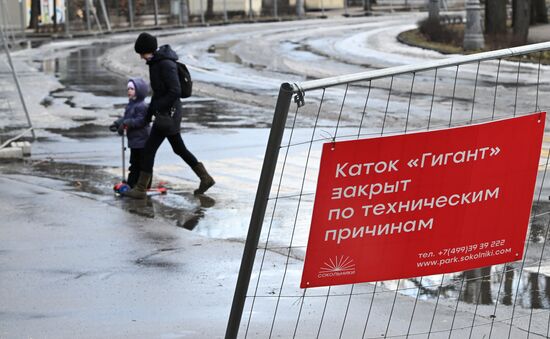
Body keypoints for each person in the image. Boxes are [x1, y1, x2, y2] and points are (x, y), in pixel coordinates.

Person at [123, 32, 215, 199]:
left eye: (142, 54)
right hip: (165, 113)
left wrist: (156, 108)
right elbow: (158, 93)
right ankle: (205, 178)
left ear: (148, 50)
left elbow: (175, 91)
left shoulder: (165, 64)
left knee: (149, 150)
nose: (141, 58)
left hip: (168, 115)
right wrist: (149, 113)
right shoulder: (156, 62)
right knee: (179, 148)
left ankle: (140, 189)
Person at [109, 77, 151, 188]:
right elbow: (127, 117)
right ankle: (132, 184)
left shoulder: (142, 106)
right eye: (128, 89)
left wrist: (127, 123)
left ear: (139, 90)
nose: (129, 91)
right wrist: (118, 123)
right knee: (134, 164)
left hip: (142, 140)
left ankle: (143, 185)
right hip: (134, 141)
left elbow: (141, 121)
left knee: (142, 164)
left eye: (132, 89)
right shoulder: (131, 105)